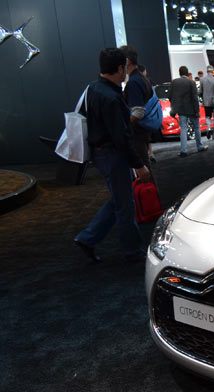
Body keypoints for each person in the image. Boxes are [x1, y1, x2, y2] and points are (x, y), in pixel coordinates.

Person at [73, 48, 150, 263]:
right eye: (125, 67)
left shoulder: (93, 88)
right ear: (120, 68)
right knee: (125, 206)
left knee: (119, 199)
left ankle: (88, 238)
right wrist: (139, 164)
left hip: (101, 154)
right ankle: (132, 252)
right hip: (113, 155)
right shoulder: (112, 98)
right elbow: (121, 137)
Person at [119, 45, 152, 170]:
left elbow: (138, 111)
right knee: (144, 166)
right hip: (142, 131)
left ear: (127, 61)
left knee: (143, 170)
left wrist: (124, 127)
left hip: (137, 133)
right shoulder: (142, 78)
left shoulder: (133, 82)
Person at [168, 65, 207, 157]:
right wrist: (197, 110)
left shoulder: (174, 82)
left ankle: (184, 150)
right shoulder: (191, 82)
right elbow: (194, 98)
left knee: (183, 129)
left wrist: (175, 105)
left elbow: (169, 96)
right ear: (187, 72)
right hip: (192, 109)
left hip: (181, 110)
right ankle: (199, 146)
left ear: (179, 73)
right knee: (197, 127)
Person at [137, 64, 158, 163]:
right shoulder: (147, 82)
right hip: (147, 112)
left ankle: (148, 154)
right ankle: (150, 154)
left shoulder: (135, 82)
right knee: (147, 135)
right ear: (144, 71)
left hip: (141, 113)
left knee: (144, 136)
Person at [200, 65, 214, 140]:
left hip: (207, 102)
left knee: (208, 117)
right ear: (213, 71)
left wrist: (202, 98)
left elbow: (200, 92)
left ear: (206, 71)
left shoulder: (202, 80)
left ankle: (209, 128)